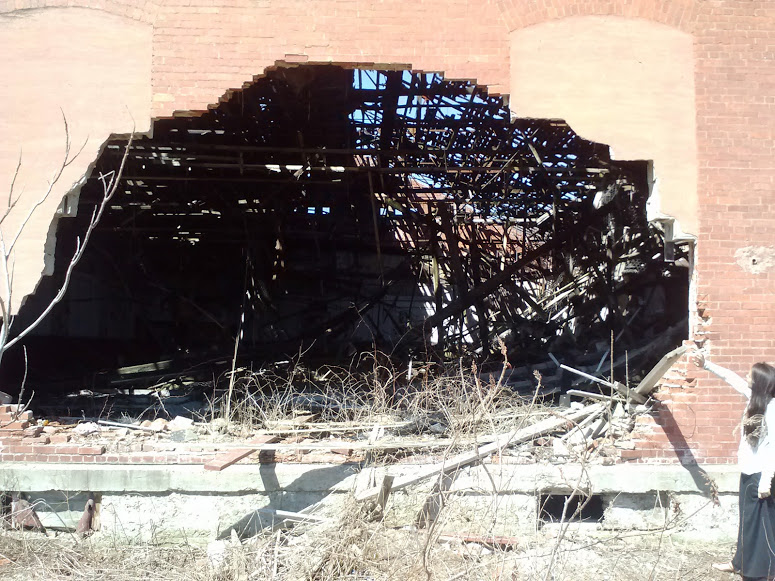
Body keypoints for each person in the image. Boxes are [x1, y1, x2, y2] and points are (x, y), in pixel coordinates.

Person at [692, 351, 775, 580]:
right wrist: (706, 364)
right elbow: (731, 378)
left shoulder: (772, 409)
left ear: (760, 383)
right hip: (748, 471)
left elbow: (773, 449)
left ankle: (759, 571)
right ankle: (739, 562)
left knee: (759, 525)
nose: (746, 377)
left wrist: (766, 481)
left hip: (761, 475)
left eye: (750, 375)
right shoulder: (754, 399)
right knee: (745, 520)